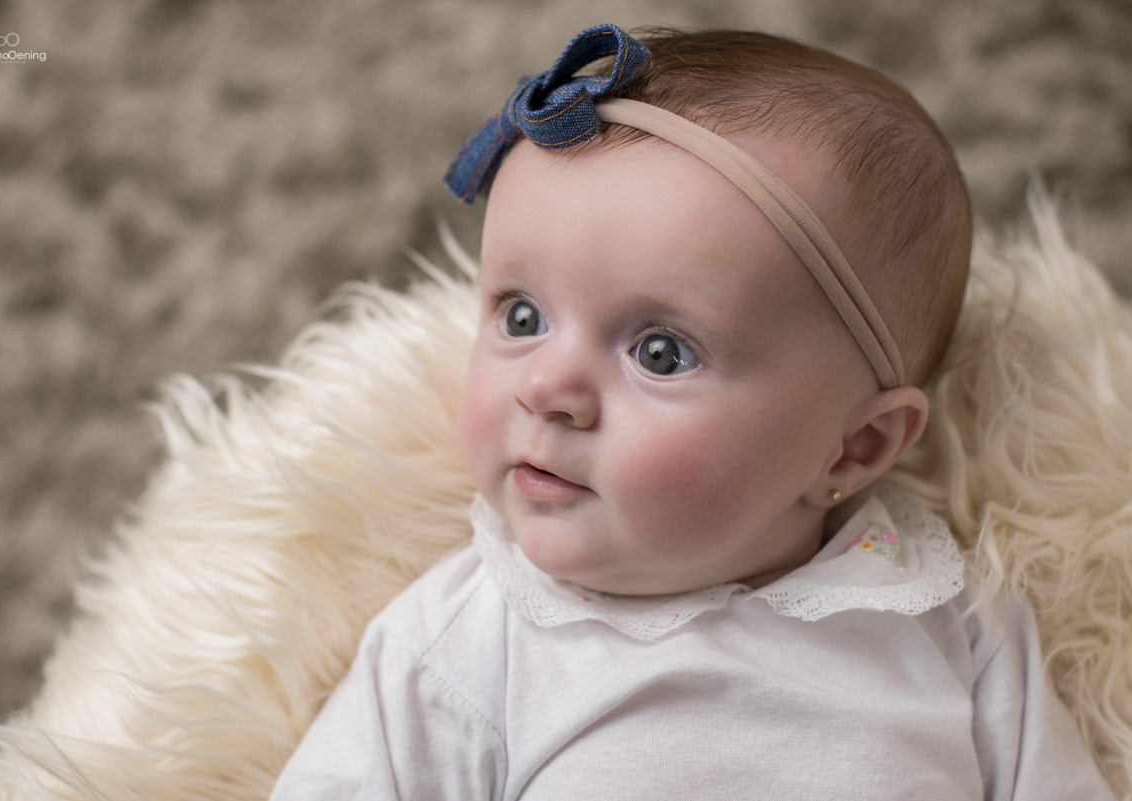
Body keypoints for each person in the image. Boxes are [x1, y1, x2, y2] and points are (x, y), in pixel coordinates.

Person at [268, 23, 1115, 799]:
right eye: (521, 317)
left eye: (660, 352)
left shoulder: (939, 611)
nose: (545, 387)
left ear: (855, 446)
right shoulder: (471, 635)